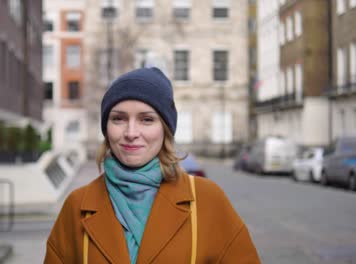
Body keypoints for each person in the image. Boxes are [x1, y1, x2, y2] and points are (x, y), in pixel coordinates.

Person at [43, 67, 261, 264]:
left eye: (146, 120)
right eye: (118, 119)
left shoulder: (208, 200)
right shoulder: (77, 205)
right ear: (106, 128)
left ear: (165, 129)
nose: (130, 133)